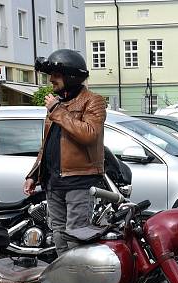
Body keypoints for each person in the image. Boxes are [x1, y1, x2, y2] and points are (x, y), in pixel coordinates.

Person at [23, 49, 106, 255]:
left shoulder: (92, 101)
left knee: (76, 235)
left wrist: (57, 111)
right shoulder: (57, 104)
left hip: (78, 181)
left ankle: (79, 280)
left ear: (70, 76)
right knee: (58, 233)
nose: (51, 80)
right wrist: (34, 174)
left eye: (56, 75)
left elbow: (89, 135)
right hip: (53, 181)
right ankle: (65, 278)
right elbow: (48, 144)